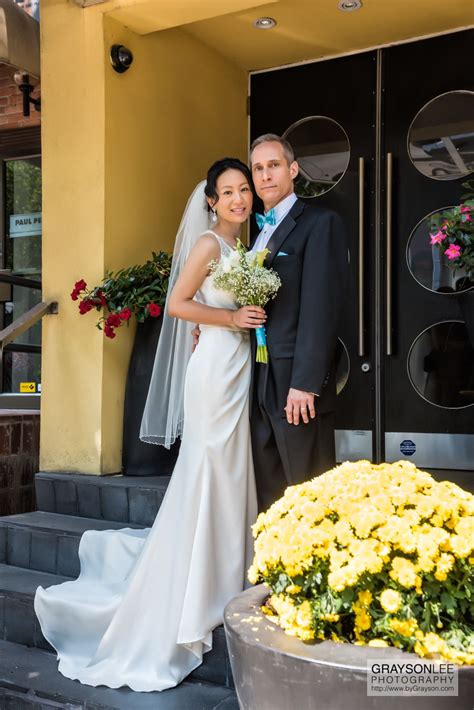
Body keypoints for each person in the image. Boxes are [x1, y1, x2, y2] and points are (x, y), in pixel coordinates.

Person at [34, 158, 261, 693]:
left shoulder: (242, 250)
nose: (237, 199)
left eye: (243, 190)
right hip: (213, 374)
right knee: (209, 467)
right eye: (227, 192)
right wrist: (229, 319)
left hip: (235, 367)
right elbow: (178, 304)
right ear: (211, 200)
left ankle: (228, 568)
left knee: (230, 469)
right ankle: (200, 584)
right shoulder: (208, 245)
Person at [249, 134, 348, 512]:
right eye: (258, 168)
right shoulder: (259, 233)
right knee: (271, 490)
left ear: (292, 170)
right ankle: (277, 570)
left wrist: (305, 383)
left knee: (308, 491)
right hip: (259, 377)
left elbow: (322, 307)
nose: (265, 175)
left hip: (296, 384)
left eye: (273, 165)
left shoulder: (320, 223)